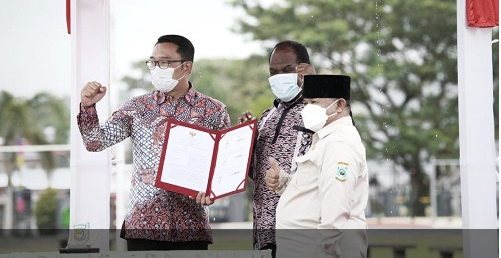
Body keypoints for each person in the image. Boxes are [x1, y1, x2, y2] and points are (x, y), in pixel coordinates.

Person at [77, 34, 231, 251]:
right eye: (154, 61)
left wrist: (213, 191)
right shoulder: (137, 108)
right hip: (143, 225)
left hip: (190, 226)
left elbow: (224, 165)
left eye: (165, 62)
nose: (157, 67)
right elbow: (94, 143)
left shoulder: (213, 110)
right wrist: (88, 107)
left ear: (186, 67)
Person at [266, 74, 369, 258]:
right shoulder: (324, 139)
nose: (307, 109)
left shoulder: (339, 144)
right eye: (305, 103)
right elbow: (315, 191)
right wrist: (284, 182)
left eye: (314, 102)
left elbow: (336, 208)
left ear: (339, 105)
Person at [238, 40, 316, 257]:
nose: (279, 76)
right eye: (273, 72)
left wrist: (316, 84)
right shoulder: (266, 117)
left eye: (287, 70)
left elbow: (344, 129)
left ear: (304, 69)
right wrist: (246, 140)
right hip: (265, 230)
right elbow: (257, 174)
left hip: (301, 228)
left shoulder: (319, 111)